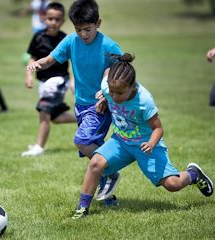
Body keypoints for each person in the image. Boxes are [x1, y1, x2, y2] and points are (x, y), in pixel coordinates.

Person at [72, 53, 214, 219]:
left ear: (133, 87)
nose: (115, 97)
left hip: (146, 145)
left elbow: (158, 128)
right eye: (112, 92)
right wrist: (105, 99)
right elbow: (108, 74)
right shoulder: (108, 86)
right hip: (121, 142)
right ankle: (83, 208)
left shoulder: (144, 101)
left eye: (120, 93)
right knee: (96, 163)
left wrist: (151, 144)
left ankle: (193, 174)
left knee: (172, 184)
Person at [27, 0, 122, 205]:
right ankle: (110, 196)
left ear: (99, 23)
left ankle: (111, 171)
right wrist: (37, 64)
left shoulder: (108, 45)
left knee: (82, 141)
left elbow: (120, 69)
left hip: (99, 105)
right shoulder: (71, 41)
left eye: (87, 29)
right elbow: (51, 59)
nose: (83, 34)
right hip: (80, 105)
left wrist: (107, 92)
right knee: (92, 146)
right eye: (78, 29)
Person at [21, 2, 76, 157]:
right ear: (43, 18)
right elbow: (32, 57)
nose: (53, 22)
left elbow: (74, 61)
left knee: (44, 111)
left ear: (63, 21)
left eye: (57, 19)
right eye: (50, 18)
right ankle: (83, 119)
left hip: (58, 81)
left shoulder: (65, 39)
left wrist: (72, 81)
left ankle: (39, 146)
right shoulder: (38, 37)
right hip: (43, 82)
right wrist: (29, 76)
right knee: (56, 117)